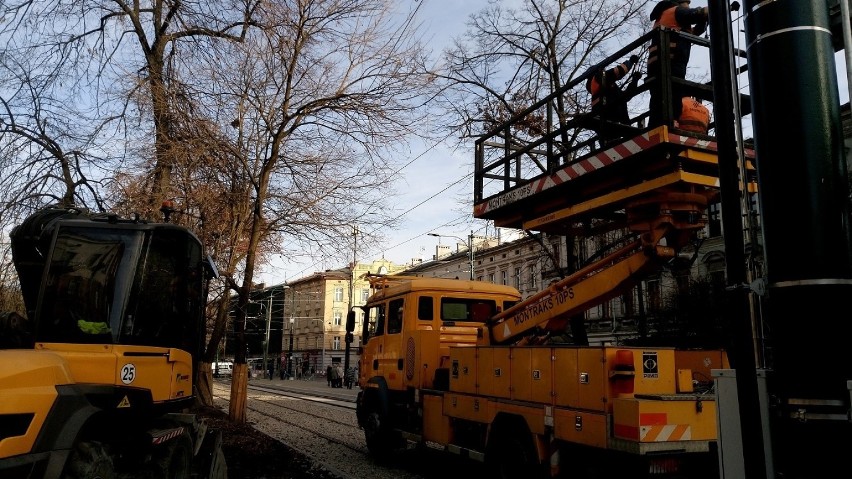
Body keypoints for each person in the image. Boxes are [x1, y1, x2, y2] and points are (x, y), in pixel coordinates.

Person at [647, 0, 709, 127]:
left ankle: (657, 125)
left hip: (660, 62)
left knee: (659, 97)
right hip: (670, 61)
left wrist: (703, 20)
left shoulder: (667, 17)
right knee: (673, 94)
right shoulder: (676, 11)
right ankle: (669, 122)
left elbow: (693, 32)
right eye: (687, 5)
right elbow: (695, 14)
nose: (688, 8)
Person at [585, 54, 641, 147]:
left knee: (611, 143)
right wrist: (630, 62)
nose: (604, 71)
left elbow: (625, 96)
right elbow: (618, 71)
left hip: (609, 121)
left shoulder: (607, 88)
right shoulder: (598, 78)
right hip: (609, 118)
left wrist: (634, 81)